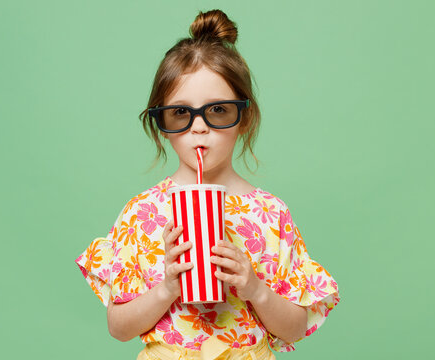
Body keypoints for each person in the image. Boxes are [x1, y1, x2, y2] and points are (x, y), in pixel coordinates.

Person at [75, 9, 340, 360]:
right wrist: (167, 288)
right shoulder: (142, 213)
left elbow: (294, 328)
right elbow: (118, 328)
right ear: (161, 123)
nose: (199, 128)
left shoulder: (270, 214)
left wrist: (254, 288)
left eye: (218, 111)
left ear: (243, 117)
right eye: (180, 114)